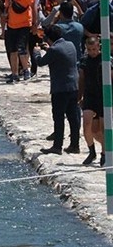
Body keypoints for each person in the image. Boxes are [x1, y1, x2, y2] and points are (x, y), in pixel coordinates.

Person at [33, 25, 81, 155]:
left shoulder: (54, 50)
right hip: (74, 86)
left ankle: (57, 146)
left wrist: (37, 52)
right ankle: (75, 145)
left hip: (60, 88)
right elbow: (60, 54)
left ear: (48, 38)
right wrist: (49, 49)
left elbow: (40, 62)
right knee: (73, 117)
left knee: (58, 117)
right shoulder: (70, 44)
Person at [3, 0, 38, 83]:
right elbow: (7, 9)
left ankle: (26, 70)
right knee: (12, 50)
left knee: (22, 48)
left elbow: (33, 6)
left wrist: (34, 23)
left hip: (24, 25)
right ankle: (15, 73)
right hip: (11, 25)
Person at [77, 36, 106, 166]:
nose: (92, 52)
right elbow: (81, 79)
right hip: (89, 95)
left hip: (103, 96)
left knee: (102, 129)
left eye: (94, 49)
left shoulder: (105, 59)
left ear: (99, 47)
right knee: (86, 124)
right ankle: (91, 151)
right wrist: (79, 96)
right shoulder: (84, 61)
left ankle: (104, 154)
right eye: (89, 49)